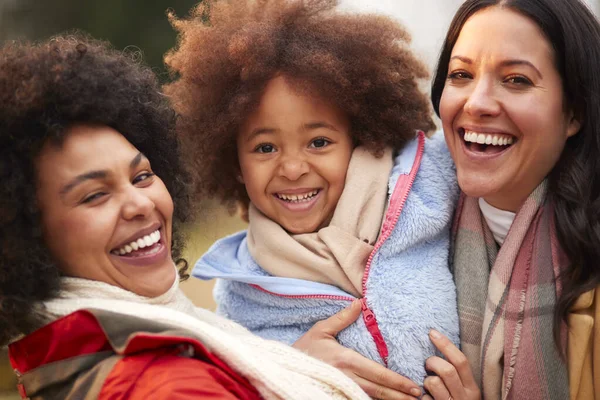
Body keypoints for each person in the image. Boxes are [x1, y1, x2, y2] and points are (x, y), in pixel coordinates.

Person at [0, 34, 369, 400]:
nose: (141, 204)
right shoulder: (167, 388)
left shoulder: (80, 354)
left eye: (142, 176)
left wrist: (293, 367)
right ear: (24, 236)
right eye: (95, 195)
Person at [295, 0, 600, 399]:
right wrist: (292, 364)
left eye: (517, 80)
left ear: (574, 112)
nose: (476, 103)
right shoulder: (395, 214)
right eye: (461, 75)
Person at [164, 0, 459, 395]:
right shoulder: (242, 292)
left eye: (319, 142)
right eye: (265, 148)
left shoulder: (431, 188)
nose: (291, 168)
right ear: (234, 162)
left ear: (359, 138)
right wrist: (292, 365)